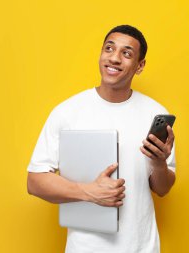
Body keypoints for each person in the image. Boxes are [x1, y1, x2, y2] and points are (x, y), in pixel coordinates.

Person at [27, 24, 176, 253]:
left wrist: (158, 163)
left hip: (142, 248)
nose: (114, 58)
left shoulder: (154, 115)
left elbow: (162, 189)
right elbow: (34, 181)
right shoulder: (67, 112)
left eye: (126, 53)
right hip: (85, 248)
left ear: (140, 66)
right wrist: (89, 191)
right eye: (109, 49)